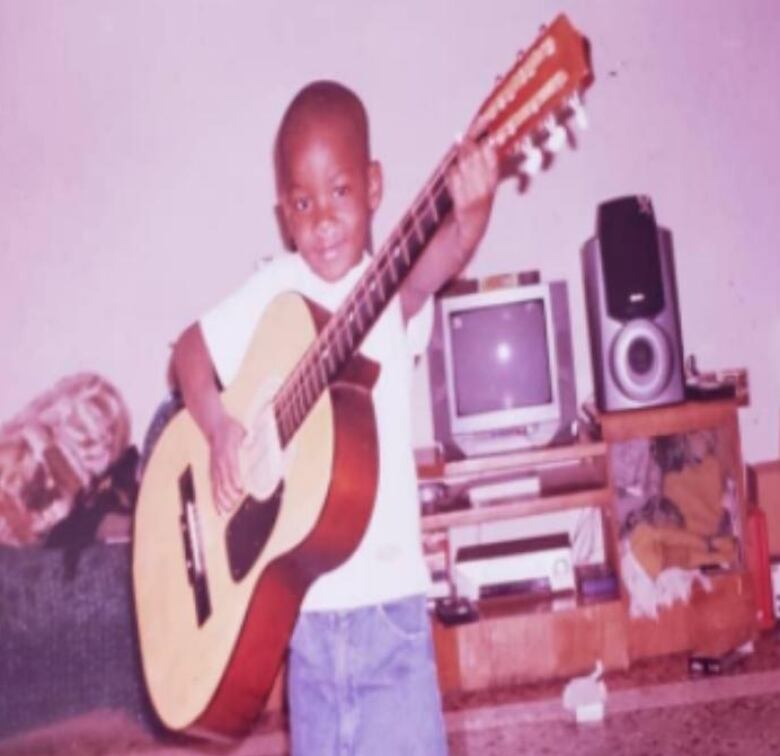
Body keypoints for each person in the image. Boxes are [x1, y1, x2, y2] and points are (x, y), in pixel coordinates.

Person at [169, 79, 498, 755]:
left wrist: (476, 207)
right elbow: (190, 352)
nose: (321, 219)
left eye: (340, 192)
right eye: (302, 201)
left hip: (392, 624)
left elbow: (448, 252)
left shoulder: (392, 289)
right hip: (305, 627)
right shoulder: (274, 291)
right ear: (283, 213)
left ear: (375, 187)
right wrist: (221, 427)